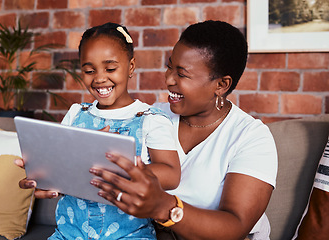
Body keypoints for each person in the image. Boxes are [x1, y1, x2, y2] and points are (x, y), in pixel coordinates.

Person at [87, 20, 278, 240]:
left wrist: (164, 207)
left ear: (221, 85)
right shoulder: (151, 117)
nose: (168, 80)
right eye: (169, 66)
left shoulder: (251, 137)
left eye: (182, 74)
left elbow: (236, 226)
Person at [20, 22, 180, 240]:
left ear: (131, 67)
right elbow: (63, 165)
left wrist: (122, 166)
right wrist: (43, 173)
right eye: (89, 70)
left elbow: (172, 174)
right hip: (69, 233)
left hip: (129, 235)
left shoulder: (151, 119)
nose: (99, 78)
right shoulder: (76, 114)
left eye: (110, 68)